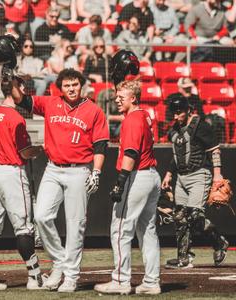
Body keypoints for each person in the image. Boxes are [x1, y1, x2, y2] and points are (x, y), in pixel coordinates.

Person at [7, 68, 110, 292]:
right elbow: (20, 99)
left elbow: (100, 145)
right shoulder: (51, 103)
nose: (71, 89)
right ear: (60, 88)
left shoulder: (93, 111)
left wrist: (97, 171)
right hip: (53, 169)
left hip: (79, 170)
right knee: (42, 216)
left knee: (75, 225)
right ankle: (59, 262)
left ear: (81, 86)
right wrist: (11, 79)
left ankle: (71, 276)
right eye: (67, 85)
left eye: (75, 85)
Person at [94, 79, 161, 296]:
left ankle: (121, 280)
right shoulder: (144, 114)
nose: (117, 100)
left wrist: (120, 183)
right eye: (117, 96)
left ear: (133, 98)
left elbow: (131, 153)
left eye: (121, 97)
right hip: (151, 176)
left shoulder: (132, 119)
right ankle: (151, 281)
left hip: (137, 176)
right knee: (147, 231)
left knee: (120, 229)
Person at [0, 82, 46, 291]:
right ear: (18, 90)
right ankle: (35, 277)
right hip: (12, 173)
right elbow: (25, 152)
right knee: (23, 228)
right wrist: (40, 149)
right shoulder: (16, 117)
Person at [161, 95, 229, 269]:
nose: (176, 116)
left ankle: (219, 243)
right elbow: (178, 155)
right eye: (173, 113)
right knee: (179, 217)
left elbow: (214, 150)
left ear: (188, 110)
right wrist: (169, 174)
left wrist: (217, 175)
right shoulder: (175, 130)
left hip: (200, 174)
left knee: (195, 216)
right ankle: (184, 258)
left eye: (179, 113)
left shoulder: (200, 126)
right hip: (181, 177)